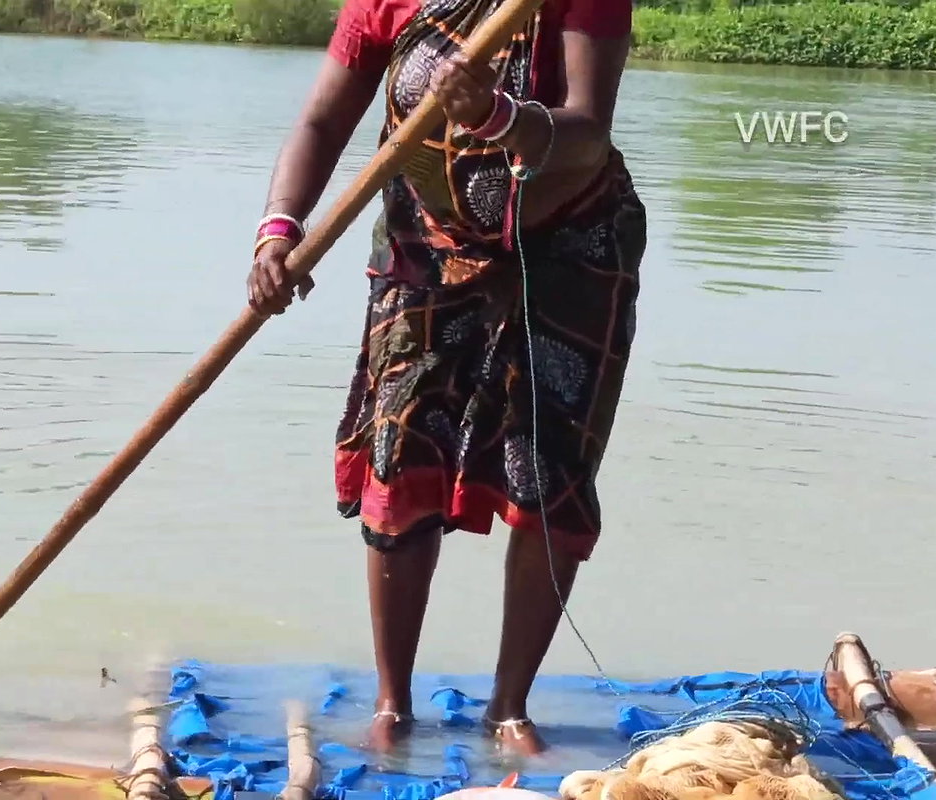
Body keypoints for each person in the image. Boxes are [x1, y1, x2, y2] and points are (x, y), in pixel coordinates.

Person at [245, 0, 646, 758]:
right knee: (402, 446)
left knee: (546, 470)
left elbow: (588, 135)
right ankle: (393, 703)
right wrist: (280, 229)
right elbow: (321, 124)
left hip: (568, 247)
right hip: (425, 246)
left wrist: (498, 117)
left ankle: (508, 706)